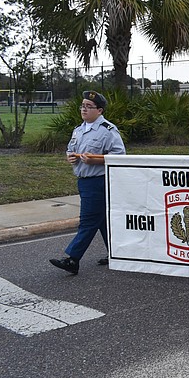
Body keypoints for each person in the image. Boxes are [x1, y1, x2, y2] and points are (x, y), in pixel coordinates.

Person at [50, 91, 126, 274]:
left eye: (89, 106)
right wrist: (70, 157)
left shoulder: (107, 130)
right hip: (83, 180)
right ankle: (118, 253)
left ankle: (72, 259)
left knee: (88, 221)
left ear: (99, 110)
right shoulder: (79, 129)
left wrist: (96, 160)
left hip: (98, 181)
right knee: (101, 221)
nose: (84, 109)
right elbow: (71, 149)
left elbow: (120, 155)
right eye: (82, 106)